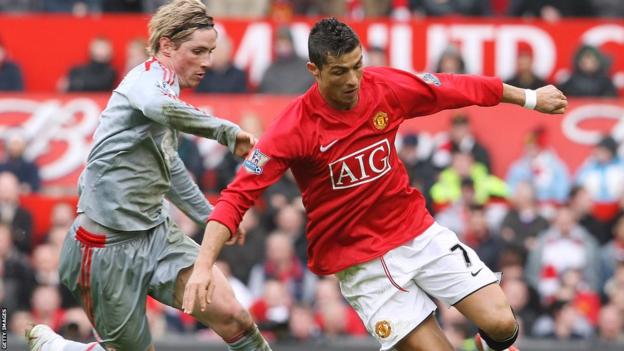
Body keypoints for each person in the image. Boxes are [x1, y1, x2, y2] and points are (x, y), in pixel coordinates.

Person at [183, 17, 567, 351]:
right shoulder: (292, 128)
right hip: (360, 263)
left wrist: (530, 97)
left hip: (416, 232)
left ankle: (487, 344)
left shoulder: (382, 86)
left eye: (357, 66)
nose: (353, 80)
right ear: (314, 70)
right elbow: (236, 196)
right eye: (339, 72)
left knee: (502, 323)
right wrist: (203, 266)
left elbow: (453, 87)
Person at [26, 1, 273, 351]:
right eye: (198, 51)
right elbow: (157, 107)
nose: (206, 62)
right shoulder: (145, 79)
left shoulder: (170, 88)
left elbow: (168, 165)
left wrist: (211, 216)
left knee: (234, 315)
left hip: (156, 235)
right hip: (103, 248)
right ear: (167, 45)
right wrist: (226, 132)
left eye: (211, 52)